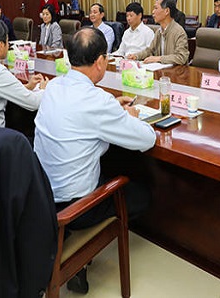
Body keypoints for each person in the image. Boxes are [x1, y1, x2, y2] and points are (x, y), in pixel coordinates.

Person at [34, 27, 156, 293]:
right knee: (141, 195)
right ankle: (77, 254)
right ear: (101, 61)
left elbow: (82, 117)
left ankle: (77, 261)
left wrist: (113, 110)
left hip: (41, 197)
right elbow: (147, 139)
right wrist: (130, 117)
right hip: (74, 209)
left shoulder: (53, 87)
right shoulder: (97, 101)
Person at [128, 0, 189, 65]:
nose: (153, 12)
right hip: (162, 69)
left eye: (156, 8)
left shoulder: (179, 32)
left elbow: (181, 57)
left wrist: (158, 59)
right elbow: (150, 50)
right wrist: (136, 56)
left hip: (176, 70)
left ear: (166, 11)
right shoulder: (158, 32)